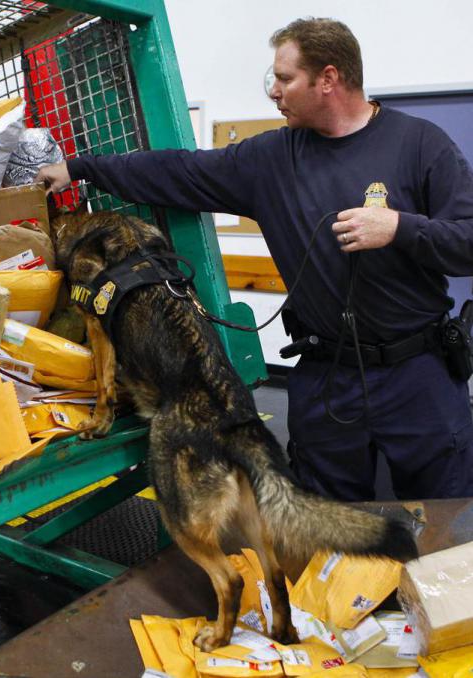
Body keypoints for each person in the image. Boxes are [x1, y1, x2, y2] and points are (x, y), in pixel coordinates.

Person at [37, 17, 473, 501]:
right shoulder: (270, 159)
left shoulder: (420, 144)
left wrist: (400, 228)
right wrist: (79, 167)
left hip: (418, 375)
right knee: (326, 520)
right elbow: (178, 169)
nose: (274, 91)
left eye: (284, 78)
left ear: (328, 79)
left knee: (443, 515)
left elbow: (468, 242)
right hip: (327, 376)